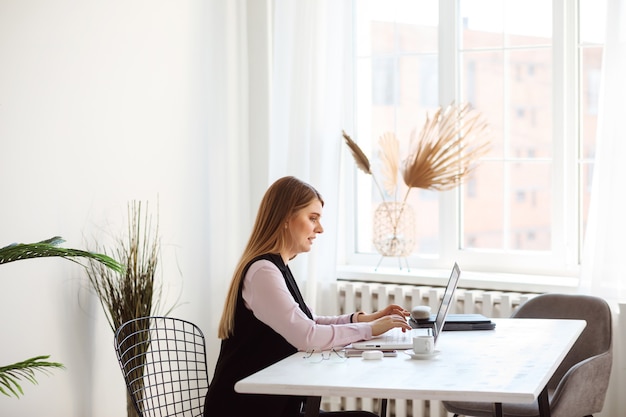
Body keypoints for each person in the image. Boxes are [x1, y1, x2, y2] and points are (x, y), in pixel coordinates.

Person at [203, 176, 411, 417]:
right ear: (285, 218)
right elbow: (308, 337)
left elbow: (309, 321)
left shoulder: (277, 266)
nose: (320, 229)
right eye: (313, 219)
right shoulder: (263, 272)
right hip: (244, 409)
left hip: (271, 406)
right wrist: (370, 330)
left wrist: (363, 319)